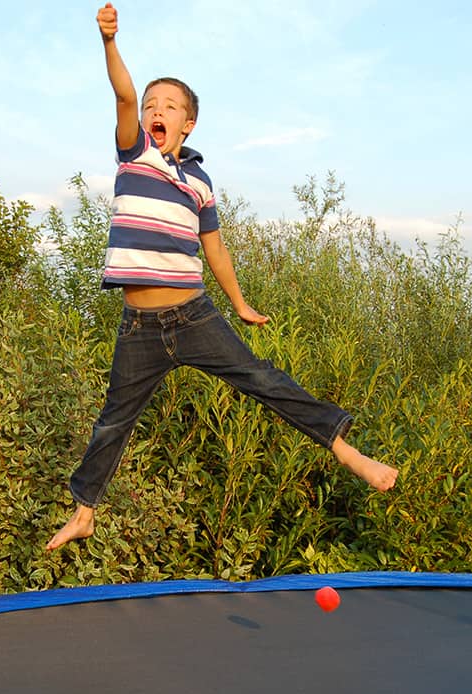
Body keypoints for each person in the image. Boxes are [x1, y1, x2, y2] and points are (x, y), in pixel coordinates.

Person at [46, 3, 397, 551]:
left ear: (189, 123)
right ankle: (85, 510)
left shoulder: (201, 182)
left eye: (169, 106)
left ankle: (349, 452)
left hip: (193, 315)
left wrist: (239, 303)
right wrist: (110, 43)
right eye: (150, 105)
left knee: (261, 379)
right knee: (113, 420)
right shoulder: (133, 152)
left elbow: (216, 250)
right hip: (138, 325)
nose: (154, 111)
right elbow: (120, 93)